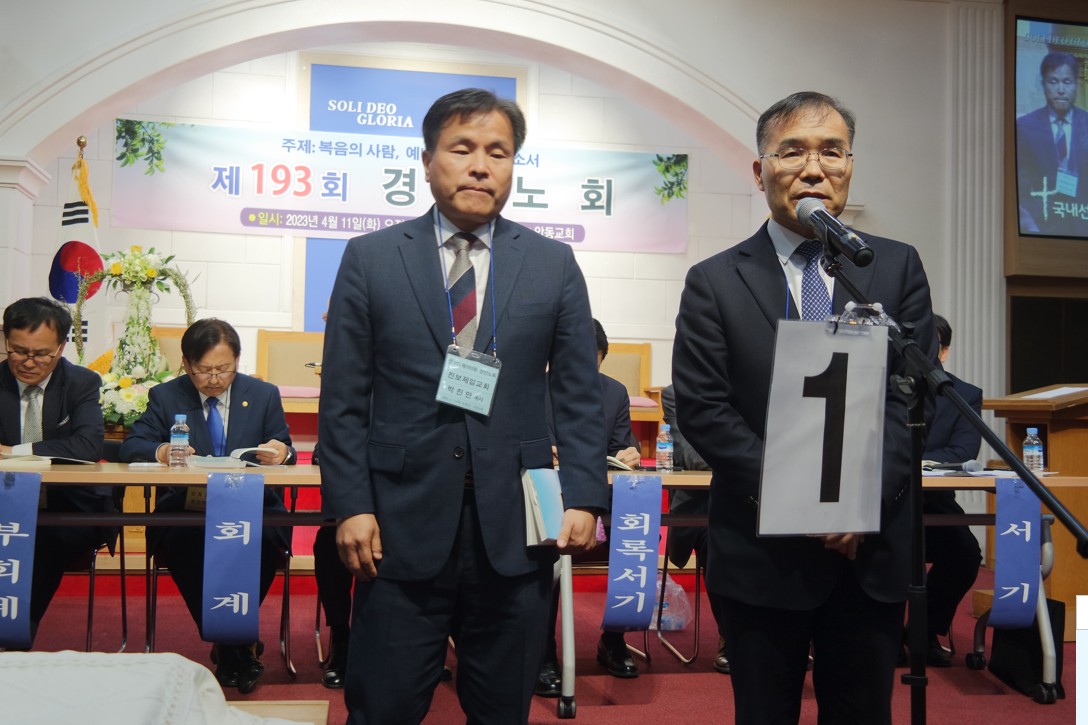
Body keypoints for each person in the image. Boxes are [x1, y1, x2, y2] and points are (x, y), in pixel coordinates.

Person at [319, 88, 609, 724]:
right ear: (427, 161)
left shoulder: (553, 263)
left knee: (501, 709)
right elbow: (343, 398)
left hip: (516, 530)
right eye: (463, 148)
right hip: (396, 526)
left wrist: (586, 496)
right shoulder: (371, 258)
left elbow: (578, 394)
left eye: (498, 153)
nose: (481, 166)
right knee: (383, 707)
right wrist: (351, 506)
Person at [672, 91, 936, 724]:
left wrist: (857, 503)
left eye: (832, 152)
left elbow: (912, 398)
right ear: (760, 171)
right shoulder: (715, 280)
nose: (814, 168)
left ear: (850, 166)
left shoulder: (894, 266)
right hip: (761, 550)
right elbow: (705, 408)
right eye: (792, 152)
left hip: (866, 548)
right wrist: (805, 498)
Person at [120, 318, 295, 693]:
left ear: (237, 361)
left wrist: (282, 452)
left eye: (224, 369)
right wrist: (163, 451)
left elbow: (284, 446)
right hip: (188, 510)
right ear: (186, 364)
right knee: (184, 543)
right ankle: (238, 645)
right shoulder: (166, 396)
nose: (214, 379)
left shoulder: (263, 394)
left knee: (265, 544)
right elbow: (132, 445)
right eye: (204, 370)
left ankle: (231, 645)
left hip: (253, 509)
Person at [536, 319, 640, 696]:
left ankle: (613, 639)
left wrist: (629, 453)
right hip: (546, 499)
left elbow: (622, 446)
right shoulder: (532, 387)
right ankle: (543, 651)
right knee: (544, 549)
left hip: (599, 498)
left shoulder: (614, 392)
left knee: (635, 533)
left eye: (591, 361)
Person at [0, 297, 109, 643]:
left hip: (66, 505)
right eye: (18, 351)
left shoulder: (81, 383)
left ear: (61, 348)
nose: (29, 362)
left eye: (41, 354)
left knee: (44, 537)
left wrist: (14, 453)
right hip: (4, 503)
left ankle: (14, 637)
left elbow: (88, 446)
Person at [910, 314, 983, 667]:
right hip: (884, 503)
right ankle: (879, 636)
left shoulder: (964, 395)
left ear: (944, 351)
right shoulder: (888, 389)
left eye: (932, 345)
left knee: (965, 553)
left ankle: (923, 631)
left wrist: (911, 459)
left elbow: (963, 452)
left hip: (935, 504)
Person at [660, 383, 730, 675]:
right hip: (701, 505)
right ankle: (731, 638)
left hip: (755, 498)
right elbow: (693, 459)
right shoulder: (676, 394)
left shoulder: (749, 386)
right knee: (719, 537)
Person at [1016, 51, 1088, 237]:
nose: (1061, 90)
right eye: (1053, 82)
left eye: (1067, 82)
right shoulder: (1024, 128)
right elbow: (1021, 185)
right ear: (1043, 85)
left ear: (1076, 84)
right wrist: (1030, 226)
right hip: (1041, 228)